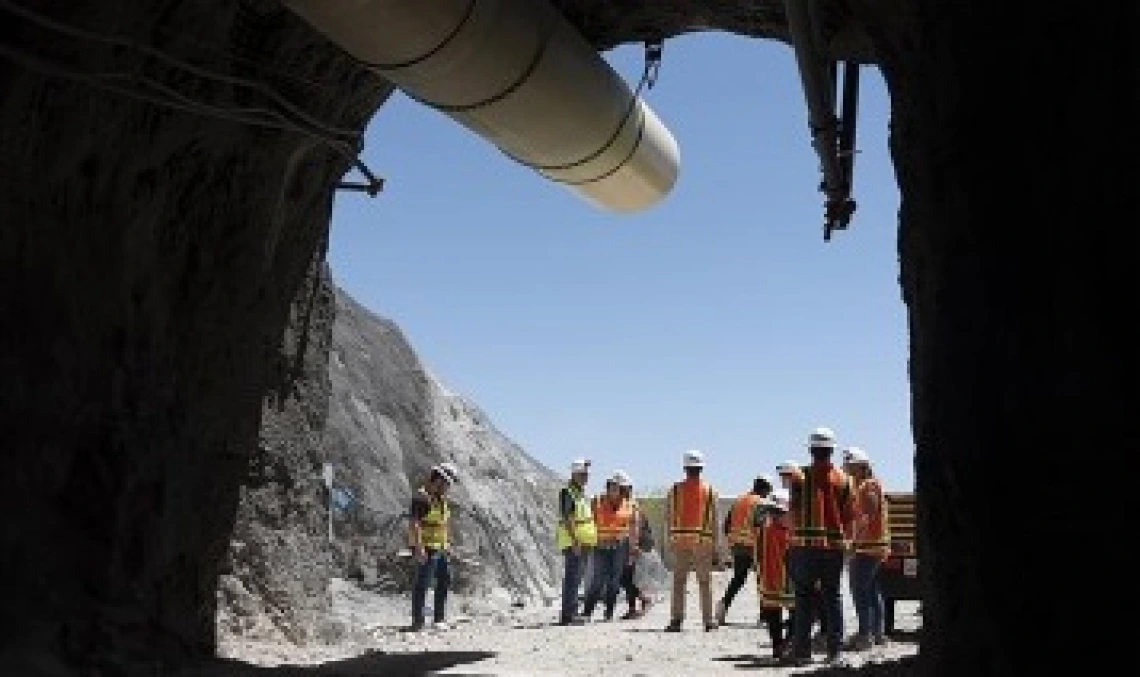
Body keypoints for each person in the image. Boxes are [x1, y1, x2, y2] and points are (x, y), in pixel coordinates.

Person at [781, 427, 856, 666]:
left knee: (803, 599)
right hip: (833, 549)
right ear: (831, 450)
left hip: (804, 547)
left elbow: (792, 512)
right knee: (832, 598)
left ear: (812, 450)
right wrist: (848, 546)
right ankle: (835, 652)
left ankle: (802, 652)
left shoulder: (799, 478)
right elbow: (849, 517)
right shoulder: (845, 480)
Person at [663, 450, 721, 632]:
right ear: (701, 468)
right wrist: (716, 547)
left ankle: (676, 620)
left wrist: (670, 540)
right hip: (702, 543)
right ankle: (708, 621)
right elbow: (715, 521)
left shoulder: (675, 490)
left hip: (680, 542)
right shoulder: (710, 491)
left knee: (679, 582)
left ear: (685, 468)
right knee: (705, 582)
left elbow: (668, 516)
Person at [842, 446, 890, 649]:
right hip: (872, 547)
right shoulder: (863, 485)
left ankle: (865, 635)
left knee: (860, 590)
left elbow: (867, 516)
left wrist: (855, 543)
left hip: (868, 548)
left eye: (850, 466)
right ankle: (877, 633)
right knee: (871, 590)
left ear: (861, 466)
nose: (847, 469)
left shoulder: (868, 486)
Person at [407, 462, 459, 631]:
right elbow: (415, 523)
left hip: (440, 547)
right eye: (446, 483)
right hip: (427, 547)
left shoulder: (440, 499)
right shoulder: (422, 497)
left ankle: (438, 619)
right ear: (438, 479)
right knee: (422, 583)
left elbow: (442, 524)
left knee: (445, 579)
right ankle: (418, 621)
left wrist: (447, 544)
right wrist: (419, 548)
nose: (448, 487)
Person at [715, 474, 773, 624]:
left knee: (738, 579)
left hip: (738, 546)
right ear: (764, 489)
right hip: (754, 546)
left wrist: (732, 542)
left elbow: (726, 525)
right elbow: (761, 526)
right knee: (762, 581)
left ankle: (723, 605)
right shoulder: (760, 502)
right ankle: (764, 615)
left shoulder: (739, 501)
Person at [582, 475, 634, 620]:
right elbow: (588, 522)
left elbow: (631, 527)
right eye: (611, 487)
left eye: (617, 488)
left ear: (621, 489)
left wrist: (632, 549)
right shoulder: (597, 501)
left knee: (614, 579)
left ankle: (609, 612)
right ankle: (587, 612)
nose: (614, 490)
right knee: (597, 579)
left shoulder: (628, 504)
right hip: (600, 545)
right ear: (607, 488)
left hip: (619, 546)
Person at [556, 458, 598, 625]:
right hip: (576, 542)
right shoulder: (568, 492)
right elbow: (568, 518)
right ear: (574, 474)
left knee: (577, 578)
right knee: (572, 578)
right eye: (582, 474)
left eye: (586, 474)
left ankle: (572, 612)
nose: (586, 477)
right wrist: (575, 541)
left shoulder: (580, 493)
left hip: (583, 542)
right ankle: (568, 615)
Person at [755, 489, 795, 659]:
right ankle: (782, 644)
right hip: (784, 581)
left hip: (773, 580)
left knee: (779, 613)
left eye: (777, 512)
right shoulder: (789, 532)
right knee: (787, 612)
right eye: (773, 512)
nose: (774, 515)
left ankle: (782, 644)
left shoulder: (766, 530)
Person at [614, 470, 654, 619]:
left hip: (632, 546)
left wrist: (633, 547)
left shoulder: (631, 505)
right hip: (628, 545)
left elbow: (635, 528)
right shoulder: (627, 504)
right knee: (627, 577)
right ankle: (632, 608)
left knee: (624, 578)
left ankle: (644, 599)